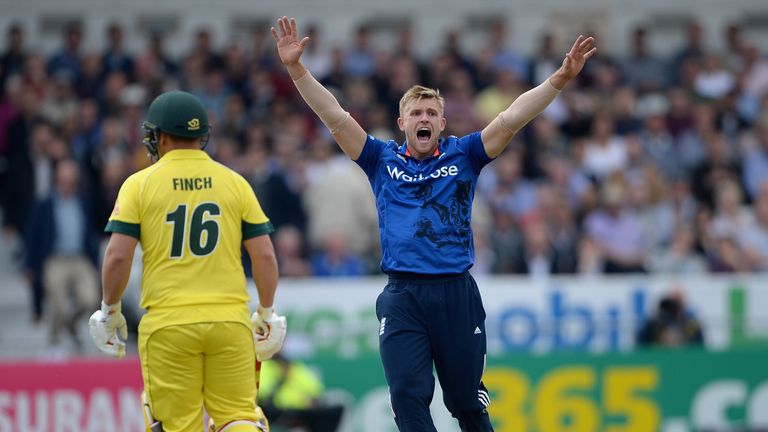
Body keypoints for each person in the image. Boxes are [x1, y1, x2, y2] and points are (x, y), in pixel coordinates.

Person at [271, 16, 596, 432]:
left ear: (441, 124)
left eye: (431, 112)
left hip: (456, 292)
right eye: (415, 112)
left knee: (466, 403)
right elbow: (333, 115)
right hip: (403, 295)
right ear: (403, 122)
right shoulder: (379, 159)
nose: (423, 117)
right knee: (407, 395)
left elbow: (513, 116)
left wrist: (561, 78)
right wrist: (297, 69)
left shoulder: (465, 154)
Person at [88, 90, 287, 432]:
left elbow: (118, 256)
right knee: (239, 417)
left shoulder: (138, 184)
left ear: (161, 137)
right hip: (229, 320)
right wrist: (267, 312)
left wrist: (110, 308)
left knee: (177, 425)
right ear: (202, 136)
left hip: (169, 324)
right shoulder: (234, 182)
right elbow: (265, 254)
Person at [24, 159, 99, 349]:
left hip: (80, 259)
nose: (67, 180)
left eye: (71, 176)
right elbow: (32, 236)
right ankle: (54, 339)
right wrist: (29, 265)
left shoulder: (82, 201)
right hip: (55, 259)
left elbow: (90, 232)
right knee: (59, 305)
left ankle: (72, 324)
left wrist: (95, 261)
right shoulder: (45, 203)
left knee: (90, 299)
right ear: (57, 177)